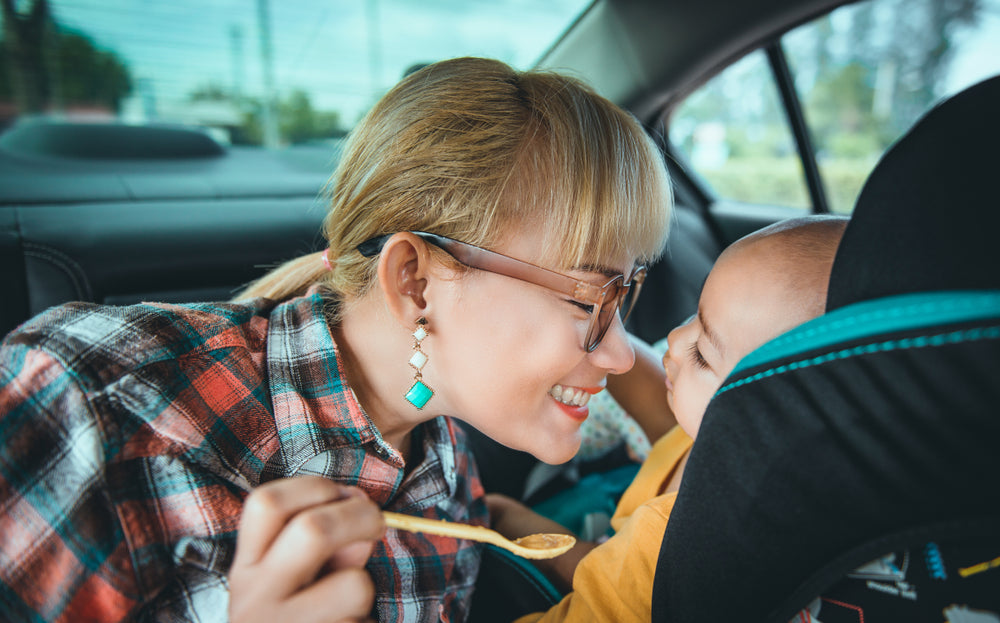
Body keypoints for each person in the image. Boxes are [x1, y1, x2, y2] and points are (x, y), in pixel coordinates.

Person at [0, 57, 672, 622]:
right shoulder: (87, 401)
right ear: (413, 281)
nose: (617, 352)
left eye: (627, 295)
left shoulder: (443, 454)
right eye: (589, 299)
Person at [487, 215, 849, 622]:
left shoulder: (678, 541)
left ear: (776, 419)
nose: (675, 341)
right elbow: (611, 569)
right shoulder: (706, 444)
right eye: (694, 316)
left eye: (702, 354)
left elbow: (613, 593)